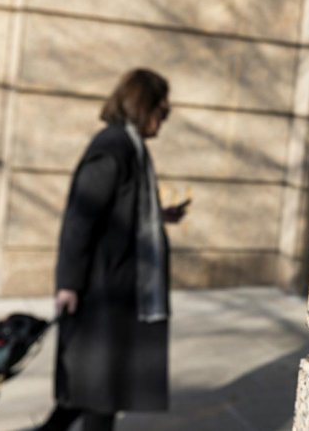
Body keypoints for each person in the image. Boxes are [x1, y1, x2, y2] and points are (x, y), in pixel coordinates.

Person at [36, 69, 189, 431]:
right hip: (102, 291)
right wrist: (69, 284)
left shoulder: (129, 147)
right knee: (99, 393)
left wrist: (158, 213)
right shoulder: (114, 147)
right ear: (143, 106)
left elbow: (119, 208)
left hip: (118, 287)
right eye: (162, 113)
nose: (162, 124)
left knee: (95, 392)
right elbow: (80, 219)